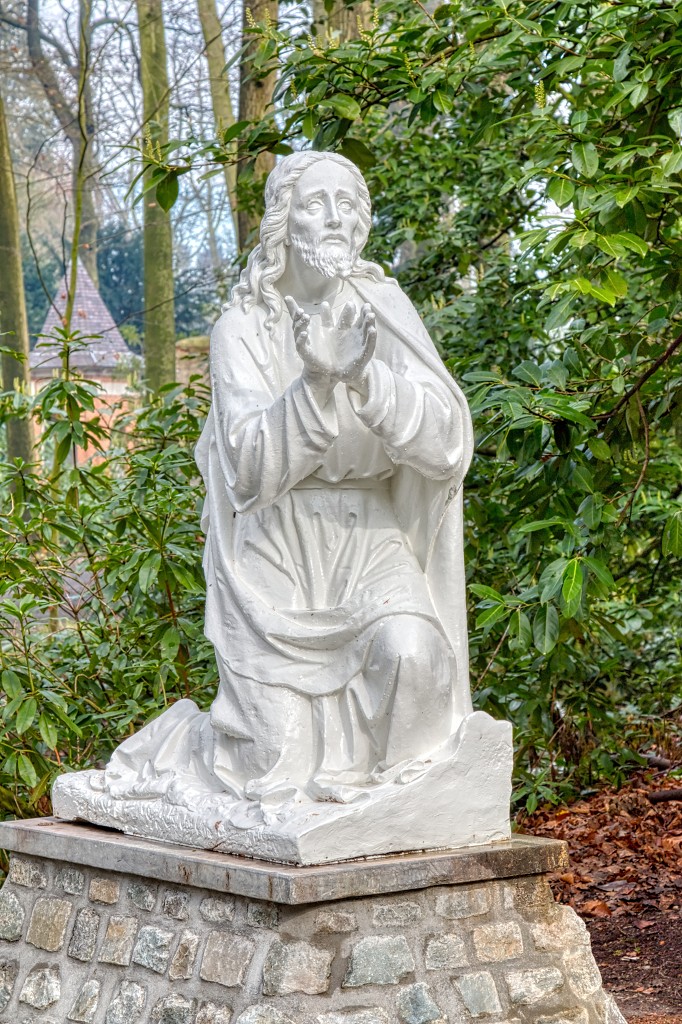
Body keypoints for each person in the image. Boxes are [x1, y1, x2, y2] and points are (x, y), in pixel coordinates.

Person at [101, 150, 475, 810]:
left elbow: (447, 445)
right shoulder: (243, 326)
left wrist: (365, 378)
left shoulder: (383, 311)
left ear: (361, 226)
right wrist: (315, 383)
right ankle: (175, 750)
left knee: (414, 658)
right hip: (273, 553)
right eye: (314, 204)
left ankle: (396, 810)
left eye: (346, 205)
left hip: (369, 539)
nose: (334, 218)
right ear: (283, 223)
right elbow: (247, 468)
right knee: (267, 762)